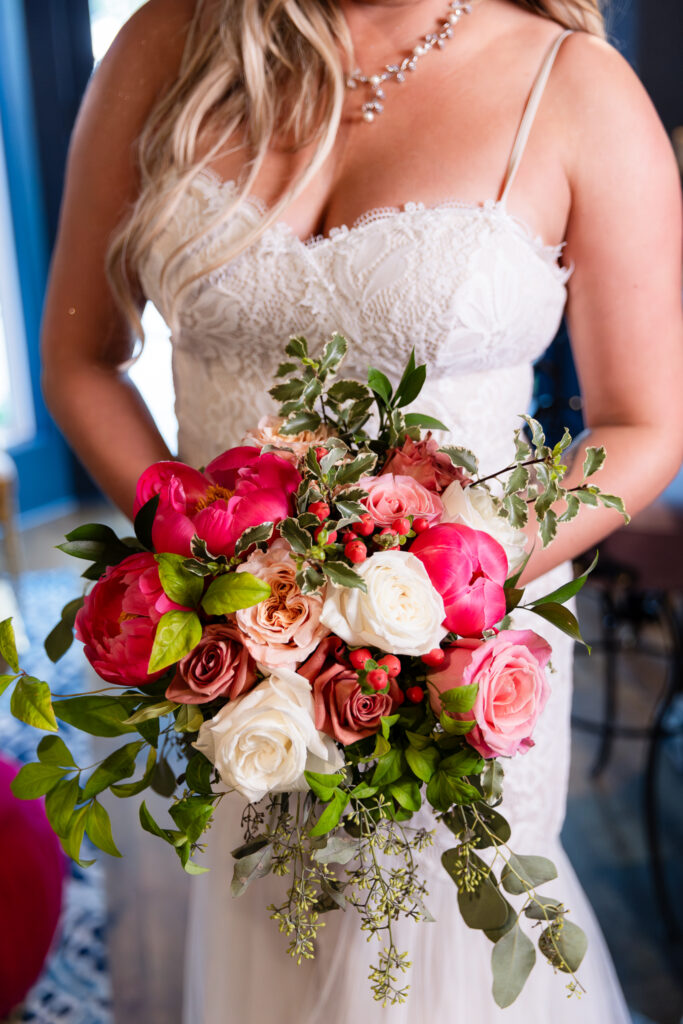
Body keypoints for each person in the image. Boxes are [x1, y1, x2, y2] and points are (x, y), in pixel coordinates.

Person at [40, 0, 682, 1020]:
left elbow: (645, 420)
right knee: (258, 927)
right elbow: (81, 359)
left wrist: (452, 580)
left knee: (445, 961)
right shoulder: (168, 44)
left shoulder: (574, 89)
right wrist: (202, 571)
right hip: (225, 655)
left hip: (458, 661)